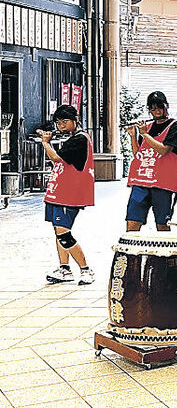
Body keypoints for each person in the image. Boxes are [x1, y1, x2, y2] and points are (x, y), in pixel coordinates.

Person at [41, 105, 95, 284]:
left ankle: (86, 270)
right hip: (59, 192)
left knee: (63, 233)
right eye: (58, 122)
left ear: (75, 119)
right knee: (59, 232)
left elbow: (56, 158)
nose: (61, 126)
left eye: (65, 121)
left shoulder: (79, 139)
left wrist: (45, 143)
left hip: (69, 194)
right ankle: (64, 269)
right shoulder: (75, 138)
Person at [125, 91, 177, 232]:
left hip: (163, 183)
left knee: (162, 224)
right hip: (141, 180)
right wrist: (133, 136)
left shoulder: (176, 126)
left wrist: (144, 134)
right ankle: (131, 254)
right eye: (153, 108)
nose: (157, 111)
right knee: (132, 221)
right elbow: (138, 155)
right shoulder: (147, 126)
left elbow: (164, 150)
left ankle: (164, 254)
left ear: (166, 106)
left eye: (160, 107)